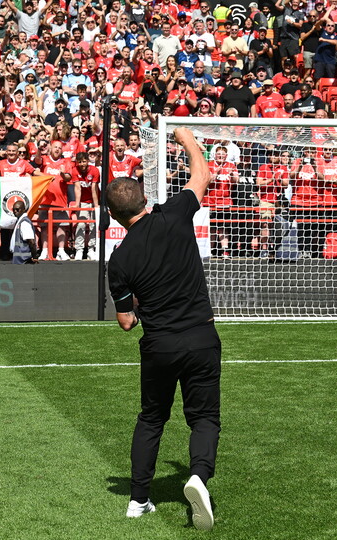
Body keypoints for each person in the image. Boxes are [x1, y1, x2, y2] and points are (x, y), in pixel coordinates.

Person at [107, 128, 218, 531]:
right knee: (204, 417)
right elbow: (201, 176)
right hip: (201, 336)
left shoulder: (118, 262)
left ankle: (138, 500)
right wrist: (186, 137)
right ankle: (198, 477)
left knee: (152, 418)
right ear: (145, 199)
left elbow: (124, 323)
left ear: (114, 216)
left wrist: (138, 309)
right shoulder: (173, 215)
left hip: (159, 344)